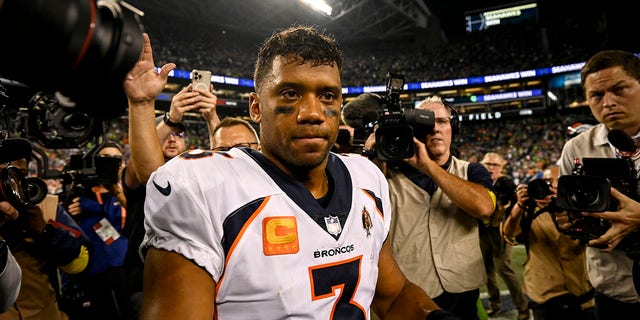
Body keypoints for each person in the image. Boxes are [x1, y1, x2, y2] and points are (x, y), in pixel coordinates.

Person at [130, 26, 459, 319]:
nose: (313, 113)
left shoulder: (366, 178)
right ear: (256, 107)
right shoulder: (203, 187)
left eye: (327, 96)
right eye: (291, 93)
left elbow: (395, 295)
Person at [364, 96, 495, 319]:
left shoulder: (473, 171)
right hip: (410, 293)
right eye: (426, 123)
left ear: (453, 127)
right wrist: (372, 157)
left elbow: (484, 208)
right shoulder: (387, 174)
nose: (435, 129)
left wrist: (429, 167)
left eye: (442, 121)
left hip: (462, 290)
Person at [122, 63, 218, 319]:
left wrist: (211, 116)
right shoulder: (140, 172)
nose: (173, 138)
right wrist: (171, 118)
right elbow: (140, 166)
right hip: (143, 280)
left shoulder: (192, 174)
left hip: (193, 277)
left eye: (179, 134)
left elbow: (227, 165)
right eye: (167, 134)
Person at [556, 49, 640, 318]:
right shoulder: (576, 148)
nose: (608, 102)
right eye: (597, 95)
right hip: (613, 292)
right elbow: (568, 215)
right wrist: (568, 221)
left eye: (619, 89)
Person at [0, 155, 91, 320]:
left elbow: (79, 263)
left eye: (17, 174)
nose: (10, 183)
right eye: (2, 176)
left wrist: (44, 230)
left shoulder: (46, 205)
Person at [501, 165, 595, 320]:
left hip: (583, 292)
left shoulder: (581, 206)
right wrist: (519, 205)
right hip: (545, 294)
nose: (548, 187)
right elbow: (508, 233)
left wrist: (569, 209)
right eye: (545, 182)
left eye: (553, 182)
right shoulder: (530, 208)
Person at [63, 141, 128, 320]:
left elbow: (141, 220)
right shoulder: (79, 194)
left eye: (117, 159)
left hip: (121, 270)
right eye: (105, 158)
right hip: (89, 273)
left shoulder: (129, 192)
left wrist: (115, 190)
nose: (111, 163)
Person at [479, 152, 529, 318]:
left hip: (501, 231)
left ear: (502, 167)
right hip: (484, 230)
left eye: (495, 165)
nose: (491, 168)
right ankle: (495, 304)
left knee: (503, 268)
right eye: (488, 164)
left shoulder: (506, 183)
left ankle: (523, 307)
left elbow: (518, 207)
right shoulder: (480, 180)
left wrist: (508, 221)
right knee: (487, 270)